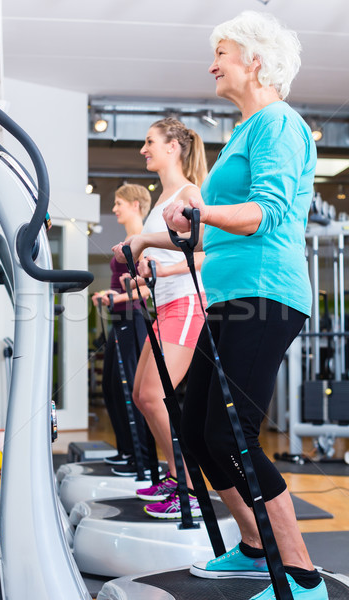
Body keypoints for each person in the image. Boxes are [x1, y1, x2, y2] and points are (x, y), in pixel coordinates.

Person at [114, 11, 328, 600]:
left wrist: (199, 213)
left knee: (230, 434)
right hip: (230, 295)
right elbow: (212, 234)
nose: (214, 65)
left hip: (267, 293)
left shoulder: (279, 125)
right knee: (194, 426)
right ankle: (256, 548)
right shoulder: (244, 131)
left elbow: (267, 212)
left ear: (254, 61)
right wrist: (146, 240)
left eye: (223, 54)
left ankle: (302, 575)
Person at [112, 117, 208, 518]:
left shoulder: (189, 193)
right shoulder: (163, 196)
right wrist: (144, 271)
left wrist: (162, 268)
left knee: (154, 395)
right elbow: (163, 254)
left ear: (173, 147)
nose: (143, 149)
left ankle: (187, 486)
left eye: (150, 141)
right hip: (163, 305)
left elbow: (206, 250)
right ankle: (175, 477)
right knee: (140, 396)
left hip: (187, 305)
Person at [92, 184, 152, 475]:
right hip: (119, 318)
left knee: (130, 390)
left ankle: (139, 458)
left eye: (118, 203)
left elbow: (148, 288)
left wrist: (116, 297)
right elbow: (125, 285)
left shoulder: (143, 240)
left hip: (133, 318)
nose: (114, 208)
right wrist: (110, 293)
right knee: (112, 387)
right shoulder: (128, 239)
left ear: (136, 205)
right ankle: (127, 452)